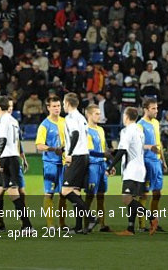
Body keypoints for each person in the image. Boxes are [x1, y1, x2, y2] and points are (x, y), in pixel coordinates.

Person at [109, 107, 159, 236]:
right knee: (132, 199)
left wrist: (110, 166)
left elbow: (122, 150)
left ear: (125, 116)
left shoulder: (126, 131)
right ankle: (130, 228)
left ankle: (151, 217)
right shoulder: (139, 130)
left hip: (132, 170)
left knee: (126, 199)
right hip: (139, 169)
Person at [0, 96, 33, 233]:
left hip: (6, 158)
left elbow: (3, 140)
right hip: (12, 156)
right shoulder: (14, 120)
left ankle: (27, 225)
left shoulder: (1, 120)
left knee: (13, 192)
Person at [59, 93, 99, 233]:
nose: (63, 106)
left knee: (65, 191)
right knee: (75, 191)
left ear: (68, 104)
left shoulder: (71, 117)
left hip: (77, 156)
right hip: (84, 155)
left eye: (64, 103)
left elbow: (75, 134)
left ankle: (92, 217)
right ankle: (78, 227)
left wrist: (68, 153)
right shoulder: (81, 117)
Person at [35, 95, 67, 229]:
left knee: (64, 194)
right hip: (50, 163)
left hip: (64, 163)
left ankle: (62, 224)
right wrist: (53, 149)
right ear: (48, 108)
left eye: (59, 106)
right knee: (49, 193)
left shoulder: (65, 122)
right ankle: (50, 225)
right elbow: (39, 145)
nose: (57, 108)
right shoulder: (44, 125)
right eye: (54, 106)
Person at [137, 97, 166, 232]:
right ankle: (142, 225)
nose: (156, 111)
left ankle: (154, 221)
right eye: (153, 108)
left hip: (157, 162)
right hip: (146, 162)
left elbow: (159, 144)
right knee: (144, 194)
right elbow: (136, 146)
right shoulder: (140, 125)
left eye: (157, 108)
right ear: (145, 110)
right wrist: (149, 148)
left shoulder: (156, 123)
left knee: (157, 193)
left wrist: (163, 161)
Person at [85, 104, 112, 232]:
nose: (99, 116)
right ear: (88, 115)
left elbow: (105, 148)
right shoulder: (85, 130)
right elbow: (88, 150)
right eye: (96, 113)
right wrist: (103, 155)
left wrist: (110, 164)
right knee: (90, 195)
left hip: (102, 165)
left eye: (99, 113)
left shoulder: (101, 130)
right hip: (92, 166)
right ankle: (86, 224)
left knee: (101, 196)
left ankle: (102, 224)